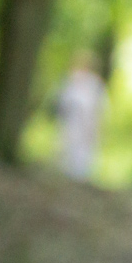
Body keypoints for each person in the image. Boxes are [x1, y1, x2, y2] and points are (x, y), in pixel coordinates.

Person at [55, 51, 107, 182]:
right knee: (68, 147)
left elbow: (99, 106)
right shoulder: (71, 80)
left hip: (88, 122)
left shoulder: (95, 84)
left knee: (84, 151)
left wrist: (96, 124)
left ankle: (80, 178)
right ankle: (67, 176)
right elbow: (63, 101)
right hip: (71, 121)